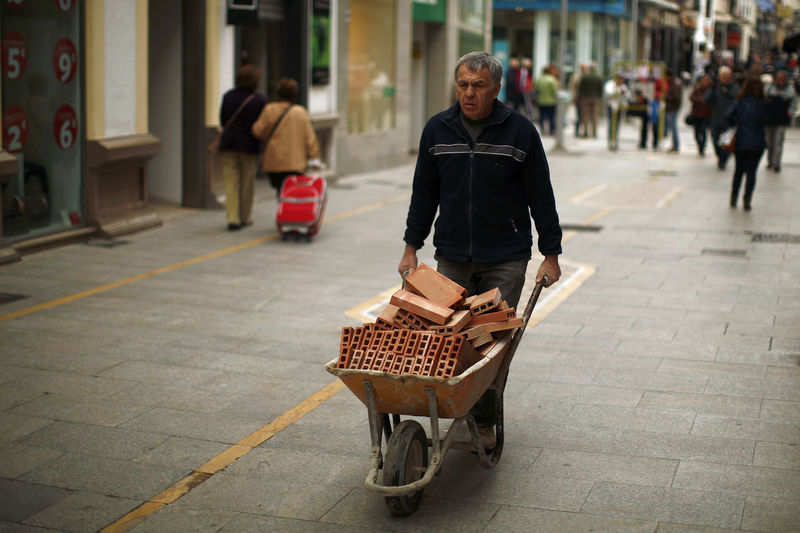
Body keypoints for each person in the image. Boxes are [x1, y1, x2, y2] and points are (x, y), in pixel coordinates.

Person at [398, 51, 562, 451]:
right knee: (449, 339)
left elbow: (541, 195)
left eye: (478, 86)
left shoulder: (520, 132)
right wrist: (410, 247)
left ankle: (485, 419)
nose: (468, 93)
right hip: (452, 256)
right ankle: (455, 406)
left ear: (496, 89)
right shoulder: (437, 130)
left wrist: (551, 253)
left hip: (506, 257)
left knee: (490, 346)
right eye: (462, 85)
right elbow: (424, 194)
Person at [217, 65, 267, 231]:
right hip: (249, 146)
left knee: (231, 182)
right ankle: (245, 217)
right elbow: (261, 126)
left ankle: (232, 218)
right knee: (247, 182)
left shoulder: (228, 97)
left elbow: (223, 121)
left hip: (229, 145)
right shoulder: (259, 100)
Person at [252, 77, 321, 198]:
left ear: (278, 92)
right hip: (296, 163)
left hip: (274, 161)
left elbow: (257, 131)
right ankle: (289, 212)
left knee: (280, 189)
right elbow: (310, 138)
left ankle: (283, 210)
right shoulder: (300, 112)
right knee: (292, 191)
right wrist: (314, 157)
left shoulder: (269, 110)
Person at [726, 75, 768, 210]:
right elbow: (768, 118)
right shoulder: (764, 102)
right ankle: (747, 199)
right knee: (751, 172)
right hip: (757, 142)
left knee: (738, 170)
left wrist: (736, 123)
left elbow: (728, 115)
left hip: (741, 140)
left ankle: (733, 197)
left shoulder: (740, 100)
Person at [705, 66, 739, 170]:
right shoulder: (715, 88)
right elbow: (706, 100)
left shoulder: (735, 89)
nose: (725, 78)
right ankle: (720, 156)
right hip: (716, 119)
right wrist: (713, 89)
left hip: (728, 121)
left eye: (727, 76)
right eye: (723, 76)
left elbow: (738, 102)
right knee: (715, 141)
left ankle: (722, 160)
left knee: (726, 143)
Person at [764, 70, 797, 172]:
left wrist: (790, 113)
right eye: (779, 78)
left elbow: (794, 104)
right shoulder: (769, 88)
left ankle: (776, 163)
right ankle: (770, 161)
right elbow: (763, 100)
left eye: (782, 78)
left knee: (778, 142)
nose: (781, 80)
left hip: (782, 120)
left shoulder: (790, 90)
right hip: (769, 120)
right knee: (769, 143)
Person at [603, 73, 630, 151]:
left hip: (619, 107)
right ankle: (611, 141)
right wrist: (618, 92)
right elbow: (608, 93)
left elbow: (628, 95)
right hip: (611, 107)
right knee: (611, 124)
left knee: (617, 125)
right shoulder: (610, 84)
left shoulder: (623, 86)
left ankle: (615, 140)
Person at [689, 74, 713, 156]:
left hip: (706, 114)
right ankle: (699, 145)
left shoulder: (710, 90)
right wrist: (699, 100)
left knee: (703, 131)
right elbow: (691, 97)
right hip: (696, 114)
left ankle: (702, 148)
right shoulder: (697, 88)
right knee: (696, 132)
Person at [577, 63, 603, 138]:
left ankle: (585, 132)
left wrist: (580, 97)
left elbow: (581, 88)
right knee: (594, 116)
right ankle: (594, 133)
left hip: (585, 98)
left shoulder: (584, 77)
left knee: (585, 115)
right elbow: (600, 89)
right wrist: (599, 97)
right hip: (595, 98)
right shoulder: (598, 77)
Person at [534, 65, 558, 135]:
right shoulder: (552, 79)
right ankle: (551, 130)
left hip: (541, 101)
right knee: (551, 117)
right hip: (551, 102)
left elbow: (536, 89)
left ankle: (542, 130)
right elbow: (554, 91)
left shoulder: (539, 79)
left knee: (541, 116)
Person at [664, 69, 682, 152]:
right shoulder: (674, 82)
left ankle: (676, 145)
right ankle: (675, 145)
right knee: (672, 127)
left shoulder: (675, 83)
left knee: (673, 127)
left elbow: (676, 97)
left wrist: (666, 97)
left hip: (673, 108)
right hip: (672, 108)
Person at [569, 63, 587, 136]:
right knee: (577, 116)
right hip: (578, 98)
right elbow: (572, 86)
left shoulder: (586, 76)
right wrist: (573, 97)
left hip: (584, 99)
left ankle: (583, 131)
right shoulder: (576, 76)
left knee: (583, 116)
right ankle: (577, 130)